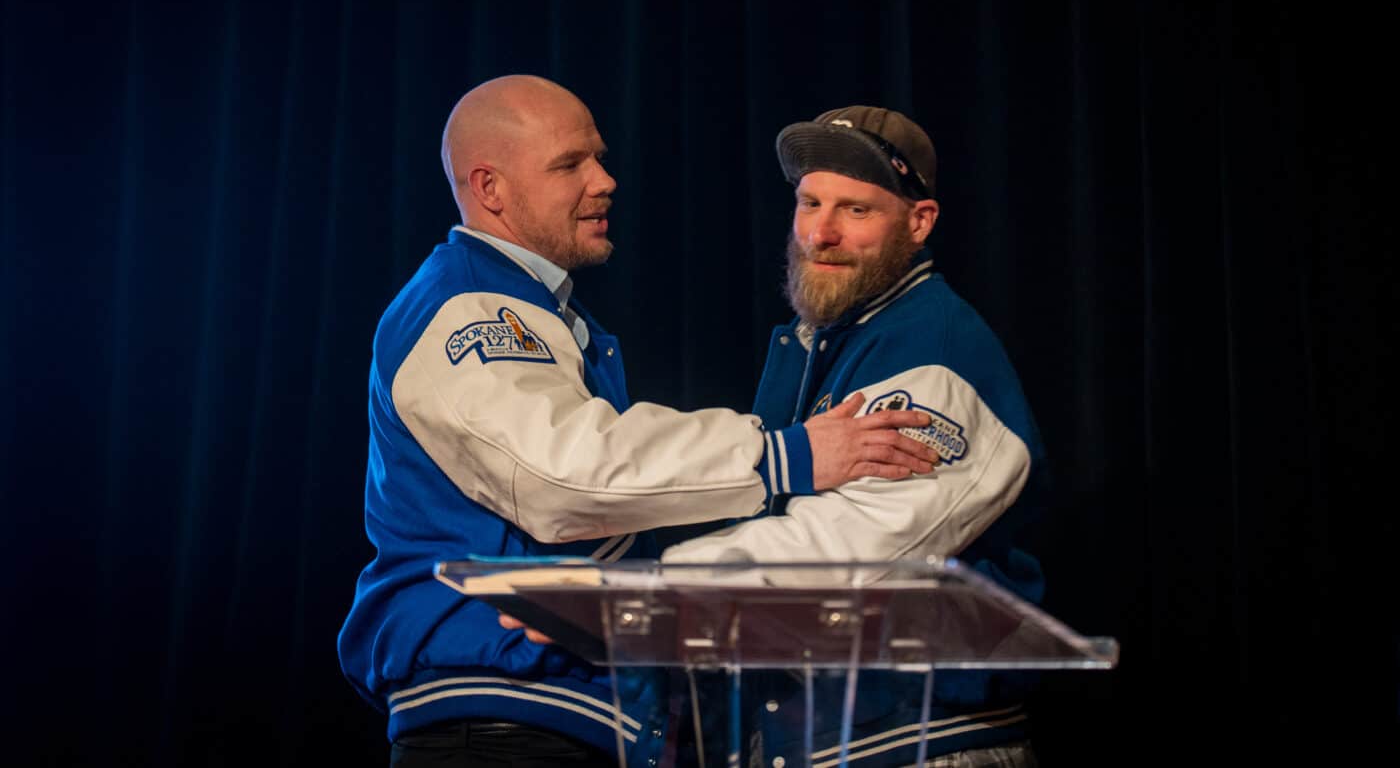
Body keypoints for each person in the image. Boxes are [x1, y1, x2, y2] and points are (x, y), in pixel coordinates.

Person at [335, 76, 939, 768]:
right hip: (502, 722)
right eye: (570, 165)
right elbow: (564, 474)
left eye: (598, 157)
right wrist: (790, 455)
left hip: (557, 721)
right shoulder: (471, 307)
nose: (605, 180)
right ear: (490, 187)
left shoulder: (542, 313)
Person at [662, 105, 1049, 767]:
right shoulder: (819, 339)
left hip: (922, 740)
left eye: (856, 210)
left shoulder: (934, 351)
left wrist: (652, 588)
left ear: (918, 221)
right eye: (809, 201)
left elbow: (846, 552)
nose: (820, 232)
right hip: (817, 735)